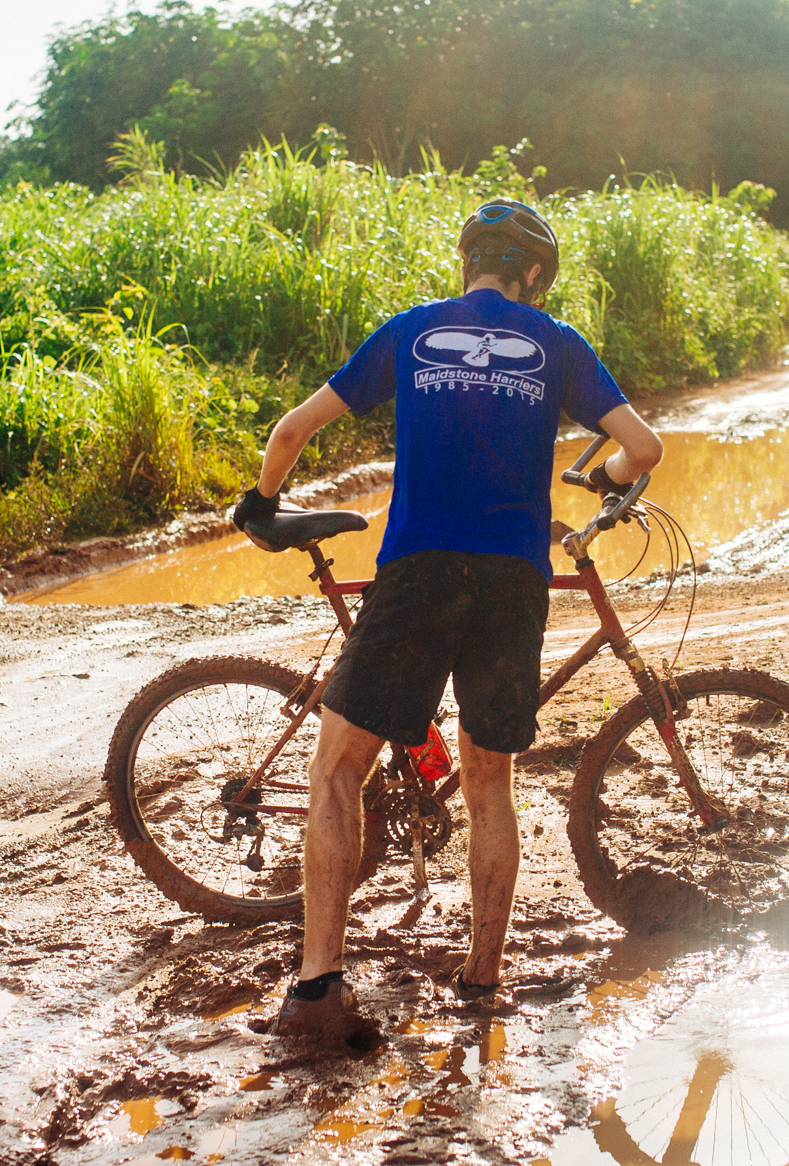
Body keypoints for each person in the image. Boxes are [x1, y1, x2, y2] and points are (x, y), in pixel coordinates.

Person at [231, 198, 663, 1040]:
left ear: (469, 263)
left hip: (420, 569)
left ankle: (318, 989)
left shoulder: (410, 330)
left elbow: (291, 430)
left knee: (337, 773)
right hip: (514, 578)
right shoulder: (558, 342)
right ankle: (482, 980)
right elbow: (642, 449)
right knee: (489, 780)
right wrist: (606, 480)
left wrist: (261, 504)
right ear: (534, 274)